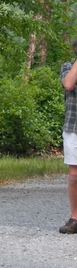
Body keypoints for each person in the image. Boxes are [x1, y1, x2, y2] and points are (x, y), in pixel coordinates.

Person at [59, 40, 77, 233]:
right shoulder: (67, 67)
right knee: (74, 176)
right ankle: (75, 218)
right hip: (74, 127)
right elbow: (69, 84)